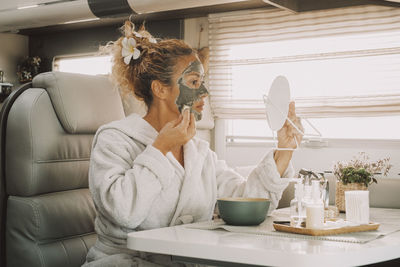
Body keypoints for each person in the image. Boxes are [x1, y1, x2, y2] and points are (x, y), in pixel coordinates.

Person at [83, 21, 303, 267]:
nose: (206, 92)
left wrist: (284, 151)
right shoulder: (114, 139)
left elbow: (244, 204)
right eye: (195, 82)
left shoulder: (197, 151)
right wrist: (160, 148)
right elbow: (124, 211)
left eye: (204, 82)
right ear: (160, 89)